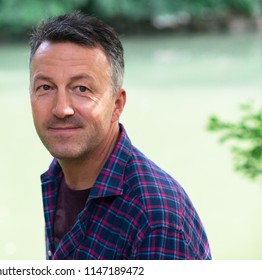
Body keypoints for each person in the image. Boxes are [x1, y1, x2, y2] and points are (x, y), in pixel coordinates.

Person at [29, 11, 211, 260]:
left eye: (82, 88)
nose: (62, 108)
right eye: (45, 87)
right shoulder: (58, 176)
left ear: (117, 105)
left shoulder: (156, 218)